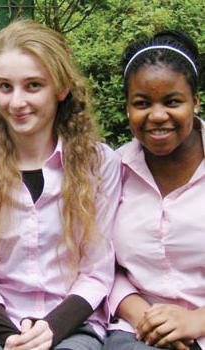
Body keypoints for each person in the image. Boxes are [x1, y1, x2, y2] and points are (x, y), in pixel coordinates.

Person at [0, 20, 122, 350]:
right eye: (5, 87)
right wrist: (11, 337)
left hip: (74, 325)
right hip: (1, 326)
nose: (16, 102)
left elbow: (97, 271)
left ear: (60, 88)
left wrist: (51, 329)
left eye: (33, 85)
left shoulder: (97, 165)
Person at [104, 30, 204, 350]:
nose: (157, 116)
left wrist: (195, 320)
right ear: (128, 107)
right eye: (142, 103)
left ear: (195, 102)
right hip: (136, 333)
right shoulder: (112, 169)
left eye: (172, 101)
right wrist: (146, 317)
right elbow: (101, 265)